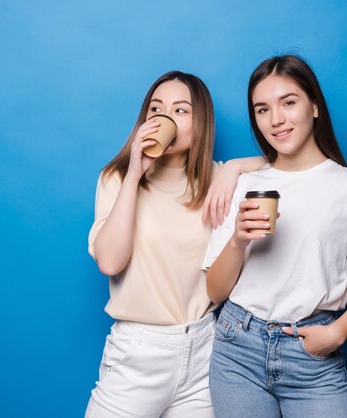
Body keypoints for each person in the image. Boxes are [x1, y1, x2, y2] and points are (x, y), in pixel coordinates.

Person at [204, 55, 347, 418]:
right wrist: (238, 240)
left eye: (289, 103)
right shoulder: (243, 185)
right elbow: (214, 292)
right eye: (262, 109)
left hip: (311, 351)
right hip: (236, 347)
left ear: (315, 107)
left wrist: (336, 334)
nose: (276, 120)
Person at [85, 70, 265, 417]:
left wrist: (234, 169)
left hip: (205, 348)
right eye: (157, 109)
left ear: (201, 124)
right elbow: (110, 262)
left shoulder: (217, 179)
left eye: (181, 110)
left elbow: (286, 163)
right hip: (139, 352)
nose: (165, 116)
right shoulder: (118, 178)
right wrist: (136, 173)